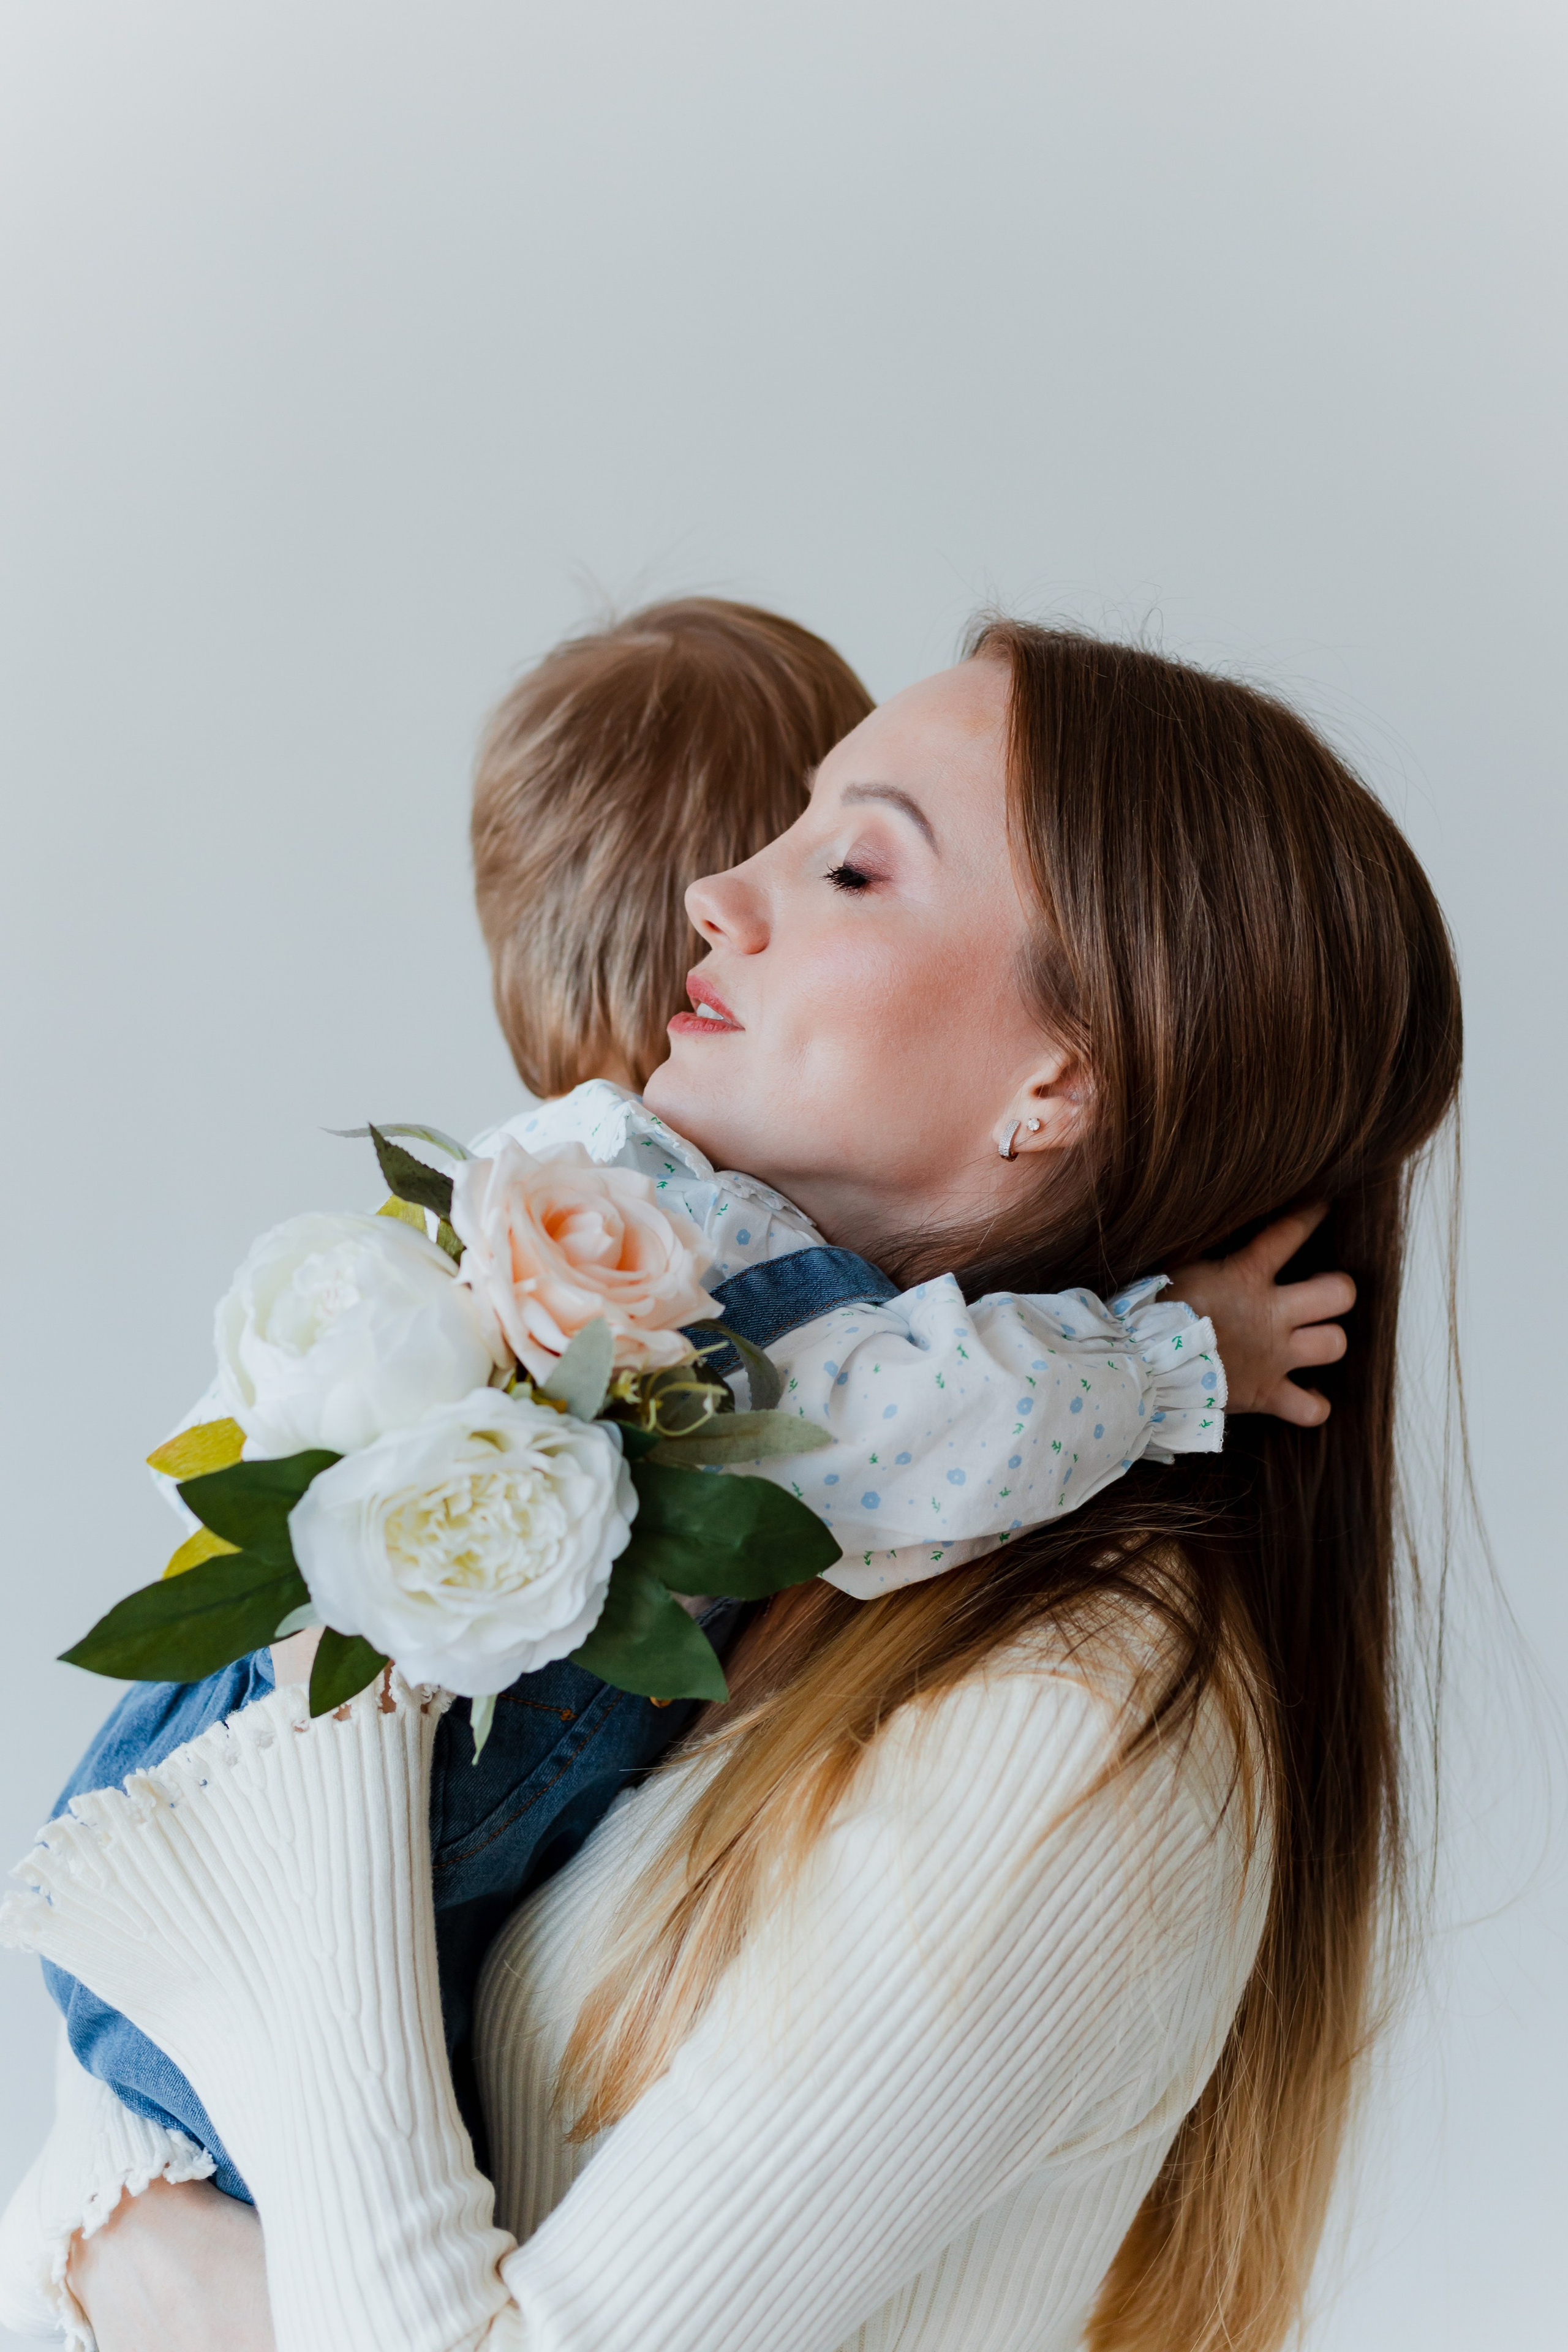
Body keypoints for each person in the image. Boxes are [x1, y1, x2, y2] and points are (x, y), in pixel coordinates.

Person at [3, 622, 1457, 2352]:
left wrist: (127, 2246)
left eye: (852, 862)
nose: (716, 892)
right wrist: (103, 2206)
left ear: (1057, 1082)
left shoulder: (1082, 1723)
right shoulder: (825, 1520)